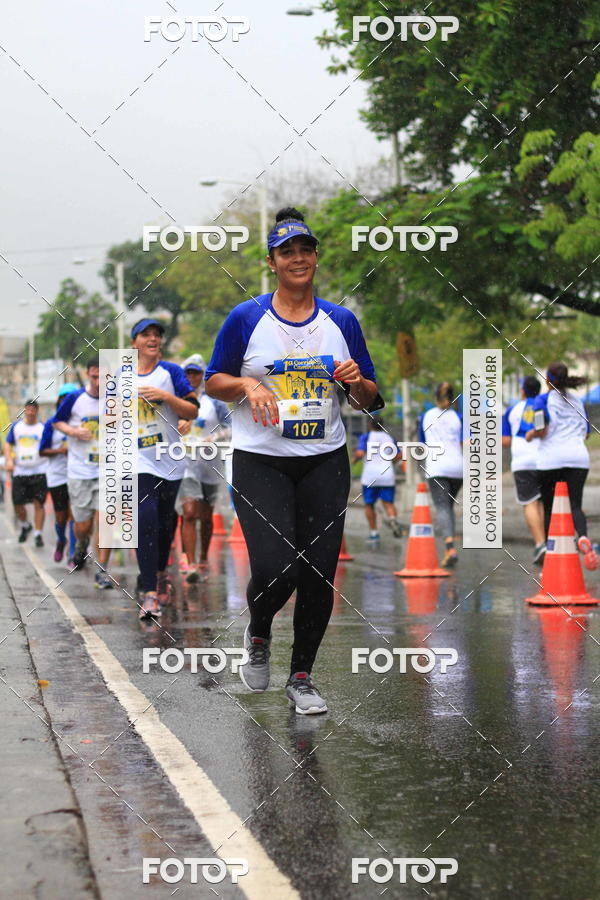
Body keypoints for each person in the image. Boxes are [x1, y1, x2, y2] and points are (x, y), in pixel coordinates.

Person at [205, 206, 382, 714]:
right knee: (277, 568)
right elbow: (213, 380)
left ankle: (301, 676)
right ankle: (259, 632)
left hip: (324, 460)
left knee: (319, 573)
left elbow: (369, 400)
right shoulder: (246, 318)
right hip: (261, 460)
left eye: (305, 250)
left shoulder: (341, 321)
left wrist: (356, 382)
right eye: (287, 252)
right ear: (272, 262)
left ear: (316, 257)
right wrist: (247, 384)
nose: (297, 258)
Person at [131, 319, 199, 618]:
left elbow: (192, 410)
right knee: (145, 519)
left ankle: (159, 573)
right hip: (136, 460)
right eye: (146, 334)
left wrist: (167, 398)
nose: (153, 339)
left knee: (164, 523)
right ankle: (149, 593)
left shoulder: (171, 372)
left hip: (169, 459)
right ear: (134, 342)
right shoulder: (119, 375)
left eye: (157, 335)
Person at [526, 361, 597, 570]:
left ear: (548, 380)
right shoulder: (578, 401)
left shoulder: (542, 400)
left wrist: (530, 434)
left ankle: (551, 557)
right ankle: (582, 536)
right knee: (575, 505)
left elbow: (541, 430)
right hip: (578, 459)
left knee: (550, 509)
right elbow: (586, 433)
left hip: (551, 460)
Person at [54, 357, 114, 588]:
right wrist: (73, 432)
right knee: (83, 526)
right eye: (95, 377)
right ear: (89, 375)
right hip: (80, 471)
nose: (99, 382)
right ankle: (81, 543)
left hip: (108, 471)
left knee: (105, 520)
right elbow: (57, 421)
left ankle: (102, 571)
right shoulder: (75, 398)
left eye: (103, 377)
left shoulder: (118, 399)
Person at [175, 353, 231, 582]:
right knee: (189, 512)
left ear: (202, 375)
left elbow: (231, 427)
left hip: (210, 466)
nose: (191, 377)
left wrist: (214, 437)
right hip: (184, 465)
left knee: (206, 517)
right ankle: (190, 564)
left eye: (196, 373)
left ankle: (203, 558)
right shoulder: (176, 399)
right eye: (187, 372)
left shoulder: (214, 401)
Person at [502, 376, 546, 564]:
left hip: (522, 462)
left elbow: (505, 441)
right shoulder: (543, 406)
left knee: (529, 503)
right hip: (544, 460)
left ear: (522, 391)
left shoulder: (511, 410)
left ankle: (540, 543)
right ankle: (546, 542)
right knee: (542, 502)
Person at [418, 382, 463, 568]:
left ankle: (450, 548)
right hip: (458, 468)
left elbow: (422, 443)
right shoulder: (459, 417)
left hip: (437, 467)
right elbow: (465, 442)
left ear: (436, 397)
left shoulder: (426, 416)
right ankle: (448, 550)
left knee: (442, 507)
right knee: (448, 507)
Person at [39, 383, 79, 563]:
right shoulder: (51, 424)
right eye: (64, 399)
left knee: (75, 515)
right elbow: (42, 451)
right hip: (57, 476)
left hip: (77, 474)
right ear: (60, 401)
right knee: (61, 517)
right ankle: (61, 540)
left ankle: (73, 553)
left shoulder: (81, 421)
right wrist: (60, 451)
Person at [5, 399, 48, 546]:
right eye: (27, 409)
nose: (30, 412)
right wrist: (9, 460)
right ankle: (25, 525)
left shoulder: (42, 428)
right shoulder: (16, 427)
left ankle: (38, 534)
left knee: (39, 504)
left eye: (32, 410)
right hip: (20, 471)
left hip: (39, 471)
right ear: (24, 410)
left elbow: (49, 445)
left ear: (36, 411)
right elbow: (8, 443)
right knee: (17, 503)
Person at [353, 416, 402, 540]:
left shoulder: (366, 437)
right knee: (388, 503)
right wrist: (391, 461)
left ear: (370, 425)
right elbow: (398, 455)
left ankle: (374, 532)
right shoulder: (389, 438)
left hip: (370, 477)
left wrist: (354, 459)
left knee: (369, 504)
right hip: (387, 476)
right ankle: (393, 519)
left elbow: (360, 453)